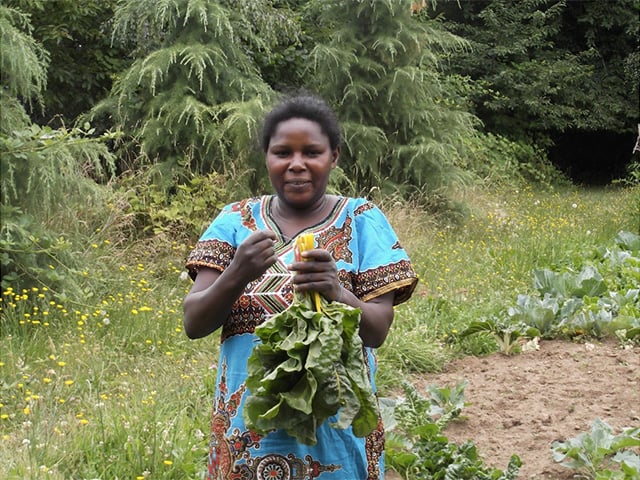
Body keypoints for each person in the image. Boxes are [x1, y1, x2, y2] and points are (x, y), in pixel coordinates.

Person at [183, 93, 418, 480]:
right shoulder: (234, 222)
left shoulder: (361, 220)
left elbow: (377, 330)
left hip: (335, 432)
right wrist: (237, 273)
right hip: (246, 431)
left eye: (311, 152)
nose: (296, 165)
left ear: (334, 156)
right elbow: (194, 322)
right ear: (267, 157)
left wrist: (338, 293)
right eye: (282, 153)